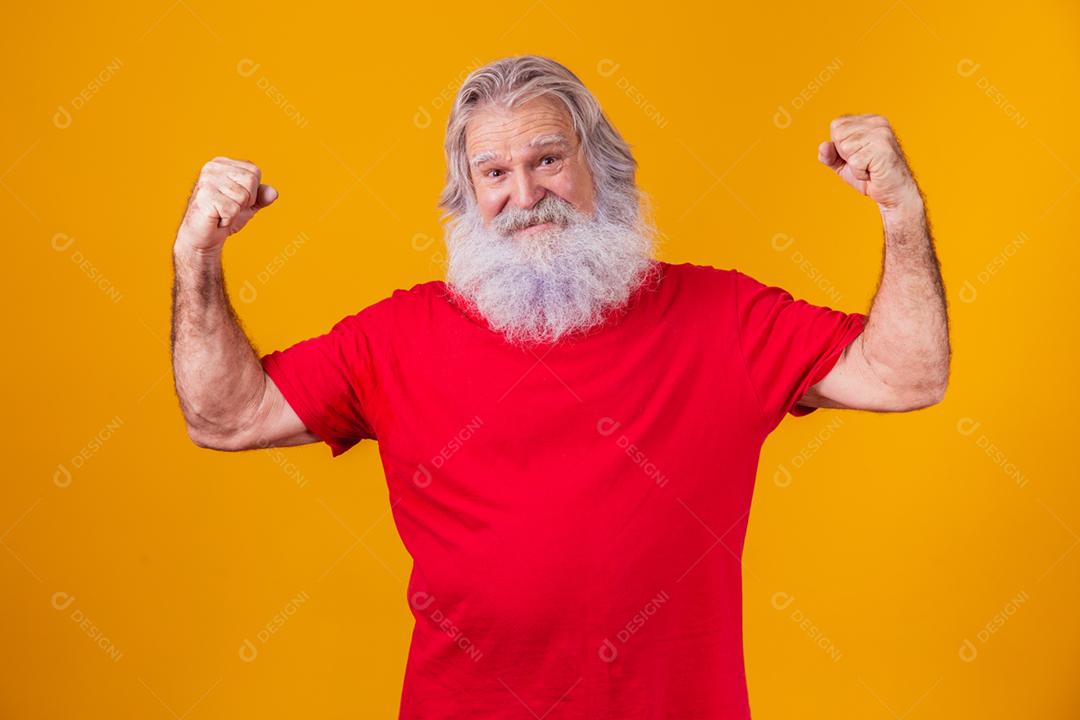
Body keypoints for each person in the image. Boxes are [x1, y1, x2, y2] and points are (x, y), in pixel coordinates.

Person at [170, 55, 949, 719]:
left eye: (548, 159)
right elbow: (225, 416)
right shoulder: (397, 337)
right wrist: (197, 255)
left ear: (599, 167)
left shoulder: (725, 316)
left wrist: (901, 212)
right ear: (467, 196)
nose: (526, 193)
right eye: (495, 173)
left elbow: (906, 372)